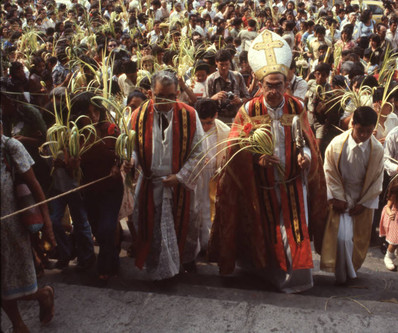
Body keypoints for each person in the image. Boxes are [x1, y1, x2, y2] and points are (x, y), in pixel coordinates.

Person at [209, 30, 327, 293]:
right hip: (260, 186)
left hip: (292, 184)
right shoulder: (249, 110)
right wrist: (256, 158)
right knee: (265, 233)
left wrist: (305, 158)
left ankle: (295, 279)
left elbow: (309, 144)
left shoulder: (296, 107)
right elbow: (234, 148)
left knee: (294, 235)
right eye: (269, 86)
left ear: (287, 83)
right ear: (259, 84)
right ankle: (265, 273)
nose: (274, 91)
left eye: (279, 85)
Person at [124, 71, 205, 279]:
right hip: (151, 183)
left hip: (178, 183)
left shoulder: (189, 115)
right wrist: (131, 160)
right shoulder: (137, 116)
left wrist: (179, 177)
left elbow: (199, 152)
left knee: (184, 226)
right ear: (150, 93)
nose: (167, 101)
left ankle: (182, 263)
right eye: (161, 96)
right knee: (152, 228)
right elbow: (131, 147)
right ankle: (158, 270)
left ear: (177, 93)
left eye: (171, 96)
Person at [321, 106, 385, 284]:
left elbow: (377, 179)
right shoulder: (336, 145)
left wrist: (364, 203)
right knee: (342, 238)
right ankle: (341, 275)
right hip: (342, 195)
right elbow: (330, 172)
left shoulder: (377, 149)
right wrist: (338, 198)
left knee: (356, 240)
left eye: (369, 131)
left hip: (363, 197)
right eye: (360, 130)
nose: (364, 135)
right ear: (352, 124)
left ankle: (351, 271)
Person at [1, 131, 56, 332]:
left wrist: (48, 225)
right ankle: (18, 324)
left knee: (13, 281)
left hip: (12, 230)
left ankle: (42, 295)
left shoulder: (10, 147)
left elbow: (34, 185)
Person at [72, 92, 124, 284]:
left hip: (111, 188)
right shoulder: (75, 135)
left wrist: (117, 166)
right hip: (89, 190)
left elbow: (122, 154)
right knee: (98, 230)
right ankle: (113, 259)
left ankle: (105, 267)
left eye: (96, 111)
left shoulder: (110, 129)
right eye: (88, 112)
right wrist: (72, 164)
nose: (93, 116)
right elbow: (69, 165)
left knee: (107, 227)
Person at [193, 98, 230, 253]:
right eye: (202, 122)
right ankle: (195, 246)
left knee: (211, 212)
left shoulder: (224, 131)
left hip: (214, 176)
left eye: (209, 122)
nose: (205, 127)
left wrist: (220, 165)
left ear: (216, 115)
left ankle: (211, 245)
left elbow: (227, 155)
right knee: (196, 211)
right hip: (194, 177)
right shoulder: (191, 127)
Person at [206, 49, 250, 123]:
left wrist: (239, 100)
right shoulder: (211, 79)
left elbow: (248, 97)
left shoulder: (237, 76)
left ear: (230, 62)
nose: (224, 68)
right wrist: (214, 98)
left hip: (236, 117)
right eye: (221, 65)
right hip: (217, 119)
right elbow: (205, 103)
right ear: (216, 63)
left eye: (227, 64)